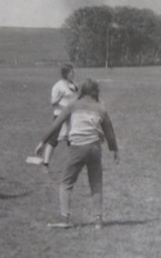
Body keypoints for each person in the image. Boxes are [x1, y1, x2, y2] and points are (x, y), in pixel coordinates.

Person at [34, 79, 119, 229]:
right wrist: (114, 150)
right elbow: (109, 132)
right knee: (96, 184)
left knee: (66, 184)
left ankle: (65, 220)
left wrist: (42, 142)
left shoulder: (72, 105)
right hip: (95, 149)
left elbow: (56, 125)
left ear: (81, 91)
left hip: (77, 148)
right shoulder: (100, 108)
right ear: (95, 92)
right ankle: (98, 221)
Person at [38, 63, 78, 173]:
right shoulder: (57, 86)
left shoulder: (73, 84)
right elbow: (52, 103)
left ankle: (75, 163)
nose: (73, 73)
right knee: (53, 140)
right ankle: (45, 164)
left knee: (72, 139)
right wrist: (60, 98)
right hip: (60, 115)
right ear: (66, 73)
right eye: (71, 72)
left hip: (71, 116)